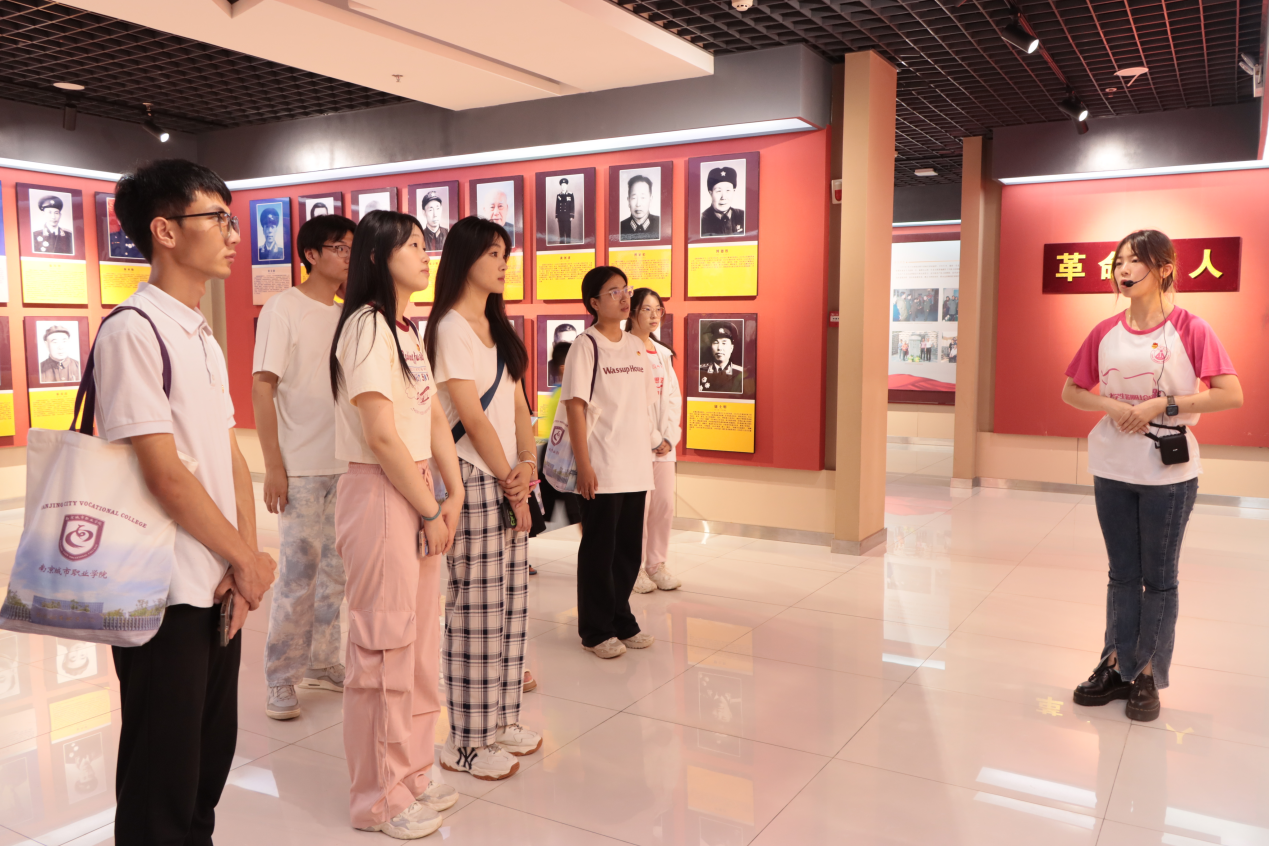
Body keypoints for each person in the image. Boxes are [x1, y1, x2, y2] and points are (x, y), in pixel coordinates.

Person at [101, 158, 277, 844]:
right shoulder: (133, 330)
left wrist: (243, 560)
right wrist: (245, 558)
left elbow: (227, 452)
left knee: (204, 771)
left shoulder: (197, 332)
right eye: (217, 219)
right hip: (161, 591)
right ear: (165, 231)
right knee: (161, 784)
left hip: (215, 583)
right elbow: (164, 475)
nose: (234, 234)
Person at [1063, 229, 1242, 723]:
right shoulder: (1104, 331)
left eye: (1134, 261)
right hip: (1111, 467)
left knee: (1158, 579)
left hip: (1169, 474)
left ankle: (1147, 675)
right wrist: (1110, 405)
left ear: (1164, 269)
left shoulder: (1191, 328)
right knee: (1121, 574)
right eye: (1119, 261)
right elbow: (1071, 391)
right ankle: (1115, 665)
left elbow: (1230, 393)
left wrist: (1163, 404)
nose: (1123, 270)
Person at [330, 209, 463, 838]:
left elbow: (431, 414)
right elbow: (381, 435)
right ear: (378, 256)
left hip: (417, 484)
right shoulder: (364, 326)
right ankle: (379, 799)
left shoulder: (406, 328)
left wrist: (452, 489)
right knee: (383, 651)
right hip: (383, 488)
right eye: (412, 244)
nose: (424, 253)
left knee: (417, 649)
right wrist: (432, 507)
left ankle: (412, 772)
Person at [424, 216, 541, 782]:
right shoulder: (449, 326)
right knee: (475, 611)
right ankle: (466, 741)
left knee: (511, 607)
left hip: (506, 475)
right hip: (470, 476)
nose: (502, 263)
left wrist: (527, 466)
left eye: (505, 254)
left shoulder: (497, 326)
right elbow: (470, 417)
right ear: (464, 258)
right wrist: (510, 482)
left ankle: (501, 720)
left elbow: (518, 406)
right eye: (493, 253)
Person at [252, 213, 356, 721]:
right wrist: (273, 464)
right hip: (300, 466)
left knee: (336, 571)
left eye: (353, 248)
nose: (349, 257)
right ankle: (281, 675)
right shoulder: (283, 308)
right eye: (340, 248)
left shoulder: (347, 314)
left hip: (347, 463)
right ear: (312, 254)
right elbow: (263, 385)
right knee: (298, 574)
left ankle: (321, 660)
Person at [563, 266, 658, 659]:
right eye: (613, 291)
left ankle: (621, 619)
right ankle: (595, 630)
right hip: (602, 466)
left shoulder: (636, 345)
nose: (623, 297)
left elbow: (642, 405)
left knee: (628, 552)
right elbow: (575, 408)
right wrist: (584, 466)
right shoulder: (586, 345)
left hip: (635, 466)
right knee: (599, 552)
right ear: (594, 302)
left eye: (625, 289)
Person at [625, 289, 682, 594]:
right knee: (638, 510)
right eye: (646, 309)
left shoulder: (662, 353)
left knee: (663, 507)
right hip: (636, 446)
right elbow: (629, 402)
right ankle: (632, 568)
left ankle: (656, 565)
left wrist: (669, 437)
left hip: (663, 448)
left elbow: (673, 398)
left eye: (658, 309)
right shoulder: (623, 350)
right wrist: (653, 437)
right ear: (632, 311)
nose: (654, 315)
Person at [698, 322, 743, 393]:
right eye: (716, 342)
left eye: (724, 343)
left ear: (731, 348)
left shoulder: (741, 373)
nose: (719, 348)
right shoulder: (700, 371)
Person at [700, 166, 744, 237]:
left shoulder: (743, 216)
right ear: (711, 193)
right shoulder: (701, 221)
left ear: (733, 191)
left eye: (728, 190)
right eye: (718, 191)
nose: (723, 197)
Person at [620, 174, 660, 241]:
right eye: (634, 198)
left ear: (650, 200)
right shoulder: (620, 227)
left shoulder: (660, 223)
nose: (638, 204)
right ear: (628, 200)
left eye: (643, 197)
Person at [547, 323, 579, 387]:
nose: (568, 348)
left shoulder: (585, 367)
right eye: (563, 344)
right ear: (554, 345)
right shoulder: (547, 369)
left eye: (572, 343)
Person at [554, 177, 575, 244]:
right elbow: (557, 205)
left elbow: (572, 205)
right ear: (561, 186)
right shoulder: (558, 195)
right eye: (562, 185)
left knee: (568, 232)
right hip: (560, 216)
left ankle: (568, 245)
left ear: (567, 185)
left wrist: (571, 215)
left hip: (567, 216)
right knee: (561, 232)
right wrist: (557, 216)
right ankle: (562, 245)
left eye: (564, 185)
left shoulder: (570, 194)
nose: (563, 187)